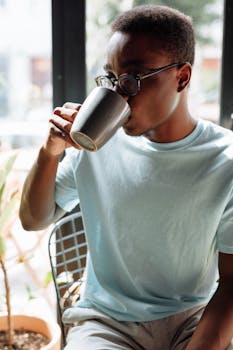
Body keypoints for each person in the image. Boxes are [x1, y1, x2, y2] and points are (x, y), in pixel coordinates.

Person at [19, 4, 233, 350]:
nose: (119, 94)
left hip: (192, 317)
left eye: (133, 79)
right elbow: (33, 219)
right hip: (106, 321)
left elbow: (232, 282)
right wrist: (51, 150)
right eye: (111, 78)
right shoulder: (97, 145)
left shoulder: (225, 160)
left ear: (182, 77)